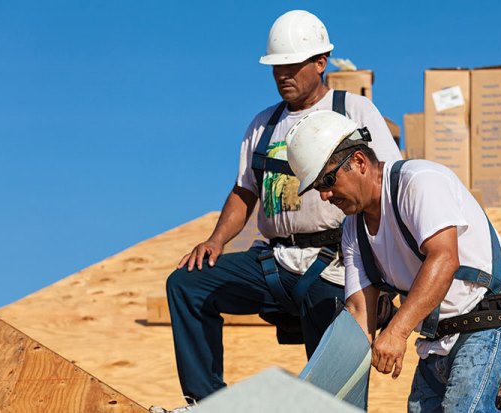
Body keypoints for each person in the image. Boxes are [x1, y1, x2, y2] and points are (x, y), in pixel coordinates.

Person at [162, 10, 401, 410]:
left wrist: (384, 271)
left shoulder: (353, 112)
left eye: (291, 65)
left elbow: (385, 186)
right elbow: (244, 191)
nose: (282, 75)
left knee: (329, 379)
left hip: (335, 263)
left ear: (320, 63)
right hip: (272, 262)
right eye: (276, 67)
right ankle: (204, 403)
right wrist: (216, 240)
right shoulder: (263, 125)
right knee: (188, 284)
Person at [285, 110, 501, 412]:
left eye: (328, 180)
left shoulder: (419, 182)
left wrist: (397, 332)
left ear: (359, 162)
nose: (325, 195)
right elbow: (360, 312)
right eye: (318, 187)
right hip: (434, 344)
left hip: (487, 325)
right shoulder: (353, 231)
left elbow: (444, 257)